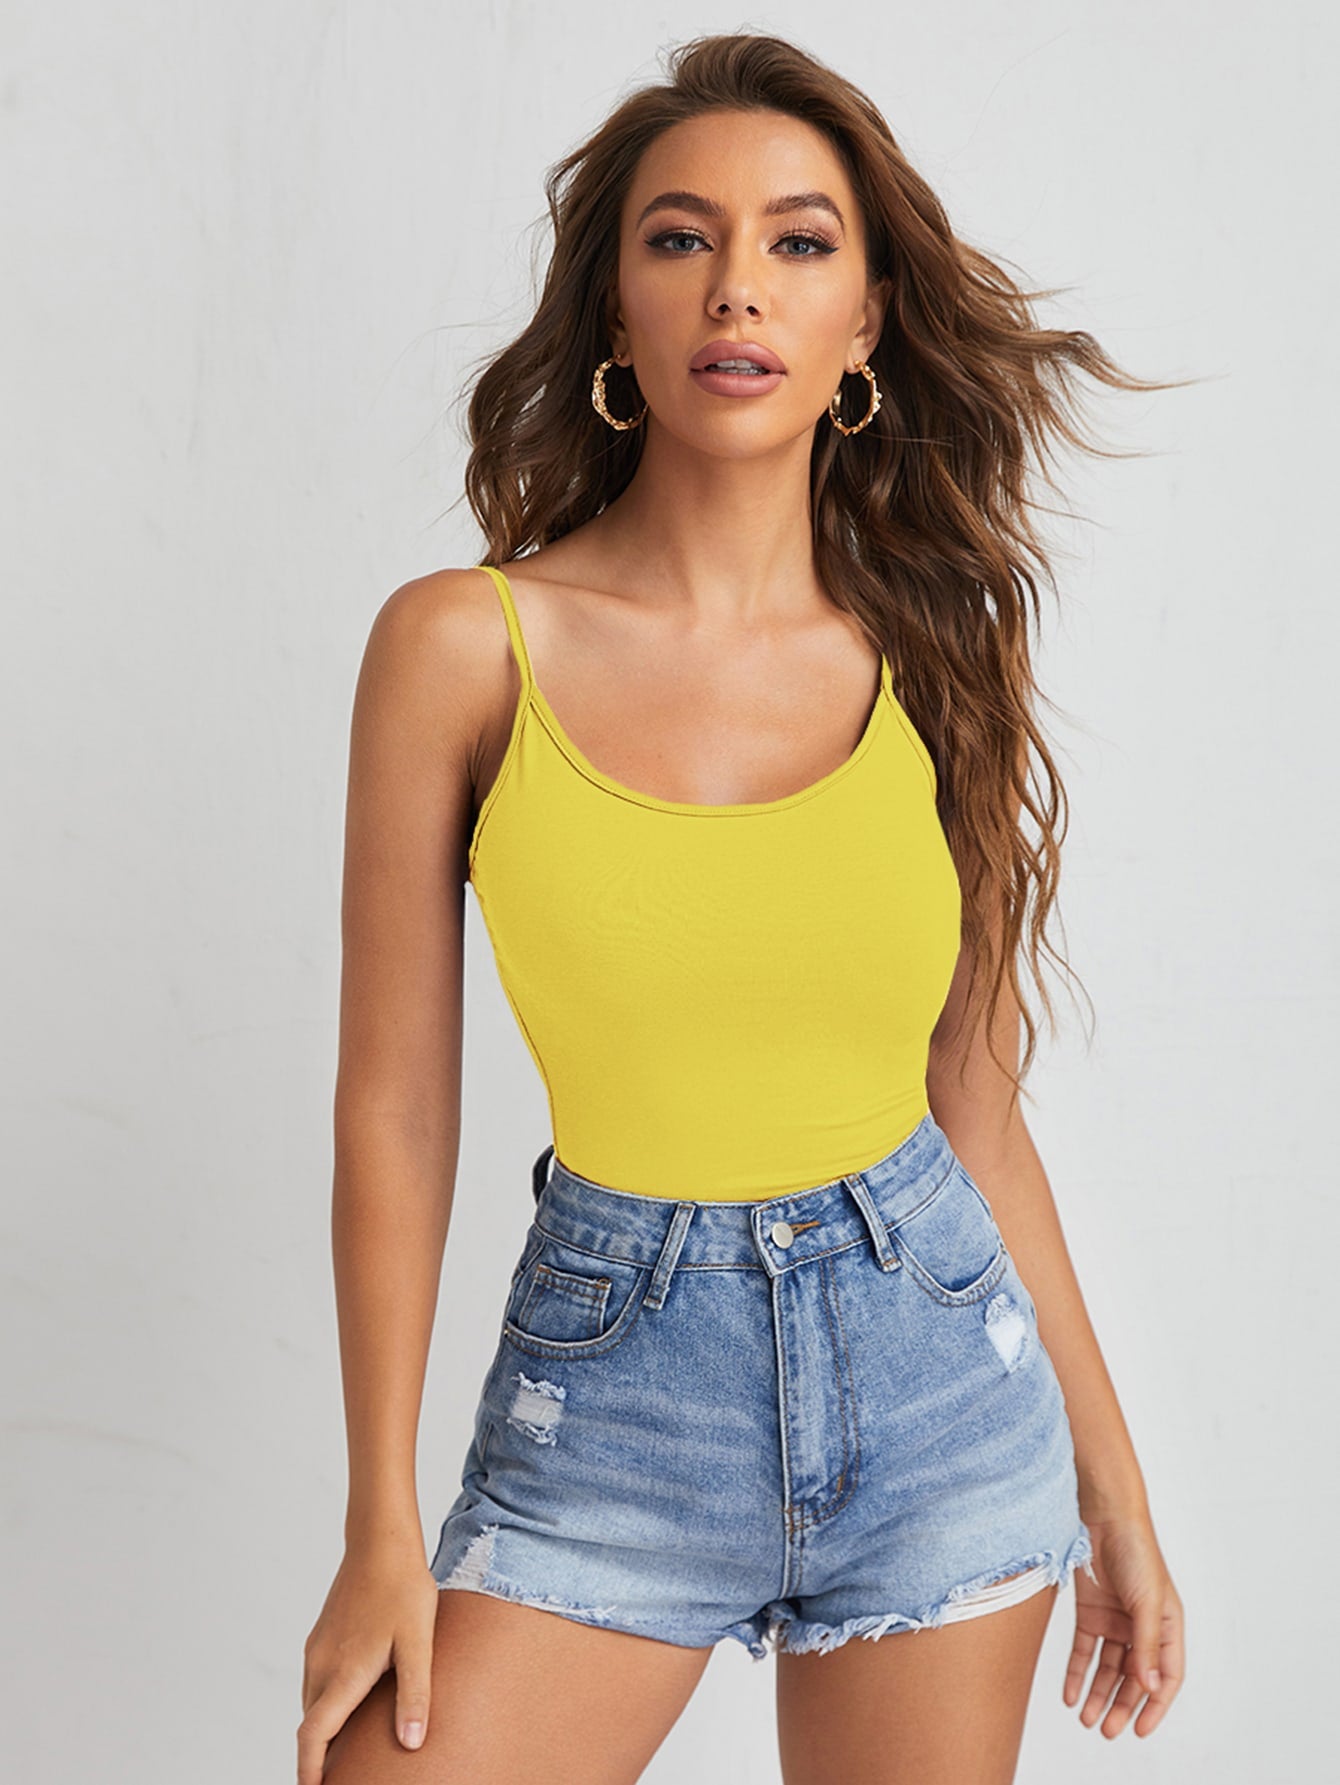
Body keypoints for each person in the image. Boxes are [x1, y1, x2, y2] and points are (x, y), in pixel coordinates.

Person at [299, 30, 1187, 1785]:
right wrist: (379, 1521)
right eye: (679, 237)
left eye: (797, 241)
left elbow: (976, 1101)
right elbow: (394, 1106)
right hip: (611, 1406)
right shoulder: (464, 646)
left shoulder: (936, 653)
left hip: (942, 1392)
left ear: (865, 327)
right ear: (615, 311)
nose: (737, 285)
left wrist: (1118, 1490)